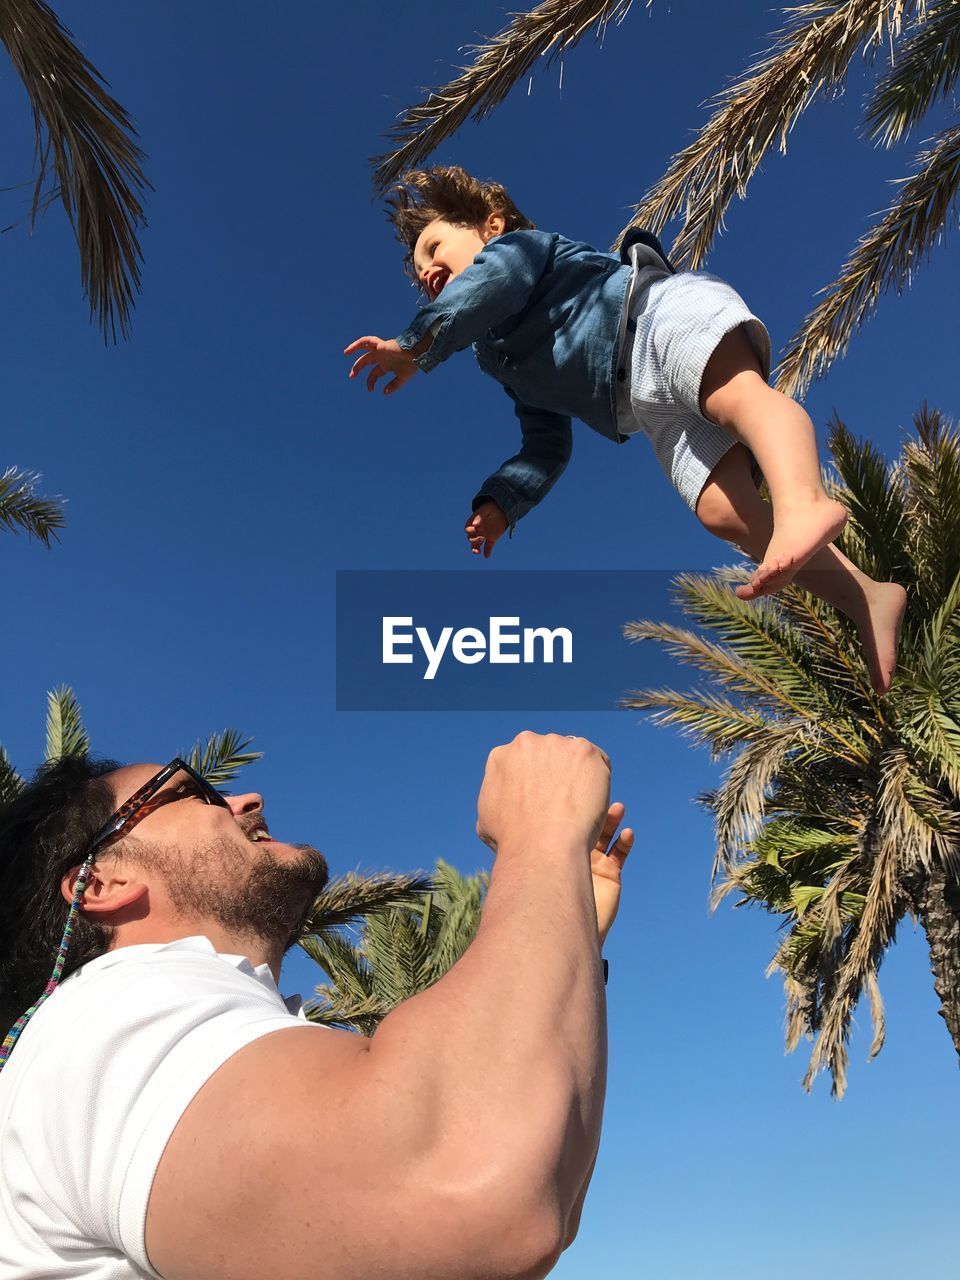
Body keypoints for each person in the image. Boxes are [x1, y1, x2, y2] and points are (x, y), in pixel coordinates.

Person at [0, 733, 631, 1280]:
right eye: (189, 793)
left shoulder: (120, 1036)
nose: (248, 801)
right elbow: (472, 1189)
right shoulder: (109, 1013)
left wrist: (566, 921)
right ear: (102, 882)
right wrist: (541, 832)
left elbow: (539, 1182)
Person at [344, 166, 906, 695]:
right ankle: (866, 597)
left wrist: (418, 344)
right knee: (722, 512)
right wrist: (502, 503)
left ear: (490, 227)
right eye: (420, 276)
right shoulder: (500, 359)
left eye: (434, 248)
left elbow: (494, 283)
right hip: (643, 402)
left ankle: (802, 500)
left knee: (739, 398)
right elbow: (545, 442)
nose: (426, 272)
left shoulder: (519, 251)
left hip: (656, 316)